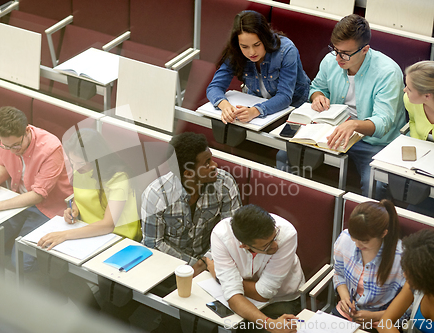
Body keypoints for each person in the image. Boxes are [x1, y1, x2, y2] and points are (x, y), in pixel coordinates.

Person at [276, 14, 405, 198]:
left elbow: (383, 122)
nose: (337, 58)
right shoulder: (331, 60)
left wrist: (353, 125)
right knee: (284, 155)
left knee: (374, 186)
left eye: (345, 53)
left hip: (372, 143)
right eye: (335, 49)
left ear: (365, 49)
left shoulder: (388, 72)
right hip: (331, 131)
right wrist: (318, 96)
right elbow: (317, 86)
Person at [0, 106, 72, 271]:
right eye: (7, 146)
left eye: (16, 146)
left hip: (49, 208)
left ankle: (49, 272)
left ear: (27, 131)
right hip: (19, 199)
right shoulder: (4, 141)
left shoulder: (51, 148)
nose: (12, 150)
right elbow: (3, 163)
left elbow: (39, 195)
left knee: (20, 263)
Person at [141, 132, 242, 276]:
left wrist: (204, 262)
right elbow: (153, 244)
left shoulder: (225, 183)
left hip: (212, 263)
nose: (214, 165)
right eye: (207, 163)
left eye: (211, 159)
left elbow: (232, 233)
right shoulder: (156, 195)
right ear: (188, 174)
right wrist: (190, 266)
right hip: (168, 265)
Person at [37, 127, 141, 250]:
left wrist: (64, 235)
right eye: (72, 161)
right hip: (87, 230)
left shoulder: (119, 178)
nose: (75, 167)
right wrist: (73, 209)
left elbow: (108, 225)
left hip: (117, 236)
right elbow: (79, 196)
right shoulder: (81, 169)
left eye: (80, 163)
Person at [207, 204, 303, 333]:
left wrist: (223, 279)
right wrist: (270, 324)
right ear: (244, 246)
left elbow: (264, 294)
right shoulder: (221, 235)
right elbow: (233, 296)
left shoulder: (287, 234)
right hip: (246, 299)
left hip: (282, 298)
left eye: (274, 237)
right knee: (211, 324)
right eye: (266, 245)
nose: (275, 246)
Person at [206, 10, 310, 124]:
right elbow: (214, 87)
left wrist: (256, 111)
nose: (252, 52)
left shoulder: (286, 50)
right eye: (244, 46)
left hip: (294, 106)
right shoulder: (235, 50)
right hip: (256, 102)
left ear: (265, 38)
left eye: (257, 45)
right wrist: (224, 106)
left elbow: (285, 97)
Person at [332, 200, 405, 332]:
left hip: (382, 321)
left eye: (364, 241)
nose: (358, 245)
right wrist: (345, 298)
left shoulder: (401, 258)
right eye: (354, 238)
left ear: (384, 233)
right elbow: (338, 274)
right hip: (347, 314)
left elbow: (409, 305)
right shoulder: (345, 239)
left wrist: (374, 316)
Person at [377, 229, 434, 333]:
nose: (404, 275)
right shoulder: (413, 285)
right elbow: (384, 323)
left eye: (411, 273)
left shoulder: (417, 283)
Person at [402, 61, 434, 218]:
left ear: (427, 96)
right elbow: (412, 121)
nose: (404, 90)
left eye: (409, 88)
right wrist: (418, 146)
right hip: (424, 169)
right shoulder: (410, 101)